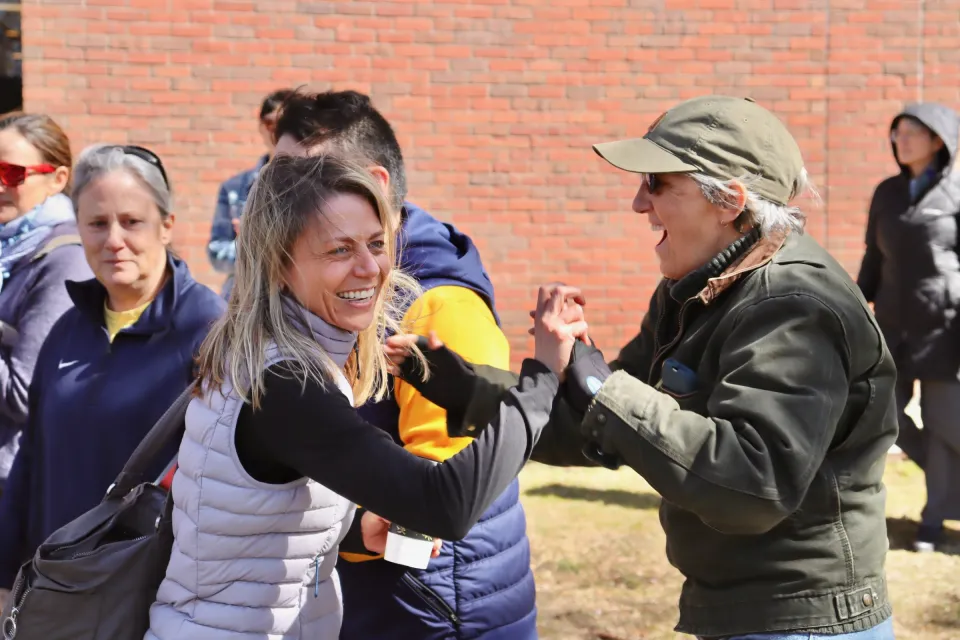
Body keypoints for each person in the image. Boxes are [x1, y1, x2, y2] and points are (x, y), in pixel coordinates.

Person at [388, 95, 899, 640]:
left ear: (729, 201)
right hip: (743, 610)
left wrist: (598, 383)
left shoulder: (795, 305)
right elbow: (603, 424)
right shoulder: (695, 288)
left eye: (657, 184)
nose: (638, 203)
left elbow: (754, 486)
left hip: (806, 621)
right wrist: (468, 391)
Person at [143, 154, 565, 640]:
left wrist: (355, 526)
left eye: (377, 244)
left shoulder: (259, 351)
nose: (371, 269)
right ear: (279, 264)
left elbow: (242, 517)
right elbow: (443, 505)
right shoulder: (286, 383)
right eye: (339, 250)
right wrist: (541, 383)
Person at [272, 89, 537, 639]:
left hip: (433, 609)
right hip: (370, 597)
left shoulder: (440, 306)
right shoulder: (326, 285)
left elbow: (438, 511)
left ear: (376, 185)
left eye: (298, 181)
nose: (276, 198)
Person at [0, 144, 225, 610]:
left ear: (167, 226)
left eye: (132, 222)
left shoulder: (207, 327)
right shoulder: (68, 329)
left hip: (158, 599)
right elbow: (31, 460)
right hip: (58, 592)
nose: (114, 239)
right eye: (97, 224)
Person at [857, 102, 960, 553]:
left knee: (943, 424)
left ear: (939, 140)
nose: (901, 140)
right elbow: (873, 257)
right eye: (896, 132)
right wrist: (857, 300)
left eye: (912, 132)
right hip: (893, 324)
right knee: (889, 418)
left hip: (944, 326)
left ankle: (933, 521)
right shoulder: (886, 192)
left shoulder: (957, 191)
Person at [0, 113, 91, 497]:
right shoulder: (9, 249)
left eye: (12, 173)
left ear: (58, 178)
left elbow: (24, 394)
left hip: (14, 482)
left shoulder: (62, 258)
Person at [207, 88, 293, 298]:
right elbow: (216, 254)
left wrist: (255, 243)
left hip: (296, 302)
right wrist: (250, 247)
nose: (276, 131)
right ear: (261, 127)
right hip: (244, 301)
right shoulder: (236, 188)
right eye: (270, 122)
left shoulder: (316, 185)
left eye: (286, 122)